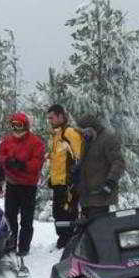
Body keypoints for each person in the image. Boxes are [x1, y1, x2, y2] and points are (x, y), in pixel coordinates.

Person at [0, 112, 45, 257]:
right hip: (12, 184)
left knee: (26, 218)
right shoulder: (8, 141)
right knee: (10, 217)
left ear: (25, 126)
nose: (16, 129)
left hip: (28, 185)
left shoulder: (35, 142)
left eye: (19, 125)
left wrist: (23, 165)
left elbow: (38, 162)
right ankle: (10, 243)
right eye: (14, 125)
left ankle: (24, 246)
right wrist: (7, 160)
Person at [46, 104, 84, 248]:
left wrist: (74, 177)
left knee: (68, 213)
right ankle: (63, 240)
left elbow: (80, 156)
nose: (50, 120)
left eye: (52, 117)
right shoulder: (55, 135)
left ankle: (69, 242)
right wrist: (52, 179)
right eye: (48, 118)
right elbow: (57, 160)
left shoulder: (69, 133)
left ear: (61, 116)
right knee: (58, 213)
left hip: (69, 184)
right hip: (58, 183)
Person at [74, 114, 126, 219]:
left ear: (91, 129)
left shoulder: (108, 139)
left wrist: (110, 182)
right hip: (86, 196)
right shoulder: (87, 141)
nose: (83, 135)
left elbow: (118, 162)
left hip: (100, 196)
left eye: (85, 132)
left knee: (99, 229)